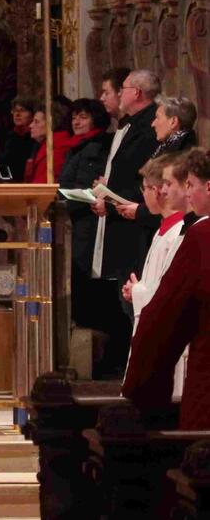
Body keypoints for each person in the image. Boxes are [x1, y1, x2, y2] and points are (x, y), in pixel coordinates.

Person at [122, 149, 210, 429]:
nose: (187, 194)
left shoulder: (201, 238)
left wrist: (140, 392)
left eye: (190, 186)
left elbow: (164, 320)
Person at [91, 69, 161, 377]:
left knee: (132, 292)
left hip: (136, 223)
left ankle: (141, 365)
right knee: (123, 294)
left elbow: (145, 178)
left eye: (125, 87)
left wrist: (111, 198)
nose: (120, 92)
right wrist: (106, 188)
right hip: (121, 218)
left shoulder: (148, 129)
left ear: (138, 93)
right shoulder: (131, 125)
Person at [123, 156, 188, 399]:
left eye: (145, 189)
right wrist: (137, 290)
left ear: (157, 190)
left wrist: (138, 290)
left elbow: (169, 292)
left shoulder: (178, 233)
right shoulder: (164, 230)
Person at [58, 98, 113, 328]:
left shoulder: (95, 145)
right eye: (73, 117)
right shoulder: (78, 145)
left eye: (83, 117)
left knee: (87, 281)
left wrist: (62, 196)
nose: (76, 122)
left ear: (95, 119)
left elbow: (86, 189)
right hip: (77, 222)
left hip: (87, 223)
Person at [24, 101, 77, 183]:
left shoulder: (60, 147)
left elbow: (46, 182)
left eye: (36, 122)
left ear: (51, 123)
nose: (31, 125)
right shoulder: (44, 145)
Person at [0, 96, 37, 182]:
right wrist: (7, 182)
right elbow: (2, 164)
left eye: (22, 110)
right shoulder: (9, 136)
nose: (17, 114)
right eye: (15, 110)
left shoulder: (36, 138)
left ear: (32, 114)